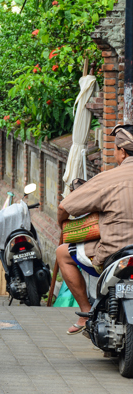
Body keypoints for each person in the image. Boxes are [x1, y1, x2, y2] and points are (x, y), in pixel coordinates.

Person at [57, 124, 133, 335]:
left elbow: (65, 206)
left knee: (62, 253)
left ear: (122, 152)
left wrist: (62, 225)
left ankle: (85, 314)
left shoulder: (107, 179)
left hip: (113, 254)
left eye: (116, 150)